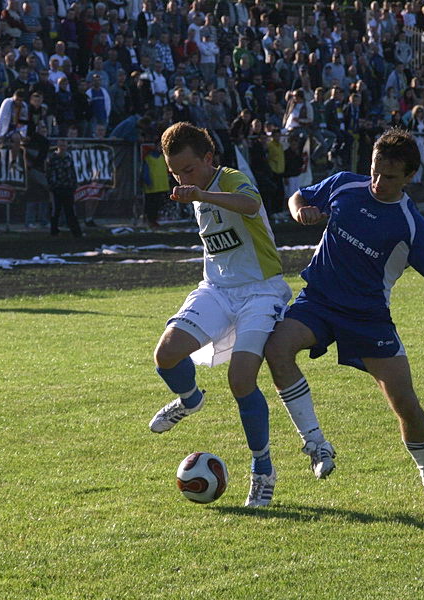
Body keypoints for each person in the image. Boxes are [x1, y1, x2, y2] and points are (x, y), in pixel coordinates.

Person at [263, 128, 424, 502]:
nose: (377, 182)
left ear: (408, 178)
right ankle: (316, 444)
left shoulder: (410, 224)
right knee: (276, 348)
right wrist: (301, 213)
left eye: (389, 177)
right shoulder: (345, 186)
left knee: (405, 403)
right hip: (319, 301)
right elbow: (299, 196)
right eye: (374, 171)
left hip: (368, 318)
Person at [147, 122, 292, 508]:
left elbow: (252, 205)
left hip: (261, 289)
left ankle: (263, 471)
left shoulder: (230, 179)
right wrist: (196, 190)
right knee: (165, 355)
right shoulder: (195, 187)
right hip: (217, 289)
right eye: (174, 172)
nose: (181, 179)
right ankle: (190, 399)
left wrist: (202, 192)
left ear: (209, 159)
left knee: (241, 378)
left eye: (188, 169)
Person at [46, 138, 82, 237]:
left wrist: (74, 184)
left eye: (64, 145)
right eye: (61, 145)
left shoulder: (69, 157)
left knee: (70, 211)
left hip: (68, 188)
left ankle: (76, 232)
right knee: (55, 211)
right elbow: (49, 174)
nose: (63, 148)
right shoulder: (52, 158)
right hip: (56, 188)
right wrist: (51, 187)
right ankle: (54, 232)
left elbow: (72, 172)